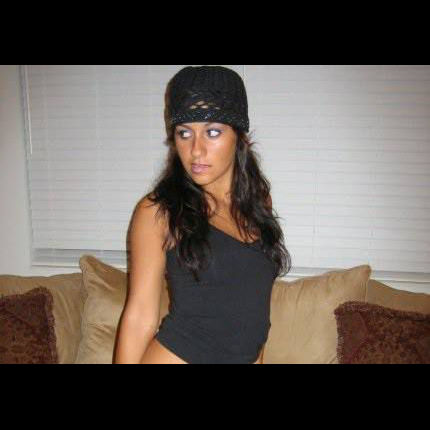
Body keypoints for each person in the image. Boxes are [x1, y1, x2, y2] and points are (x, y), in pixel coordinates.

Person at [114, 65, 291, 364]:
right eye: (184, 133)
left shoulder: (259, 204)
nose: (196, 150)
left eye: (212, 132)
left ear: (239, 137)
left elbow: (254, 313)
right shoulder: (159, 210)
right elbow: (140, 316)